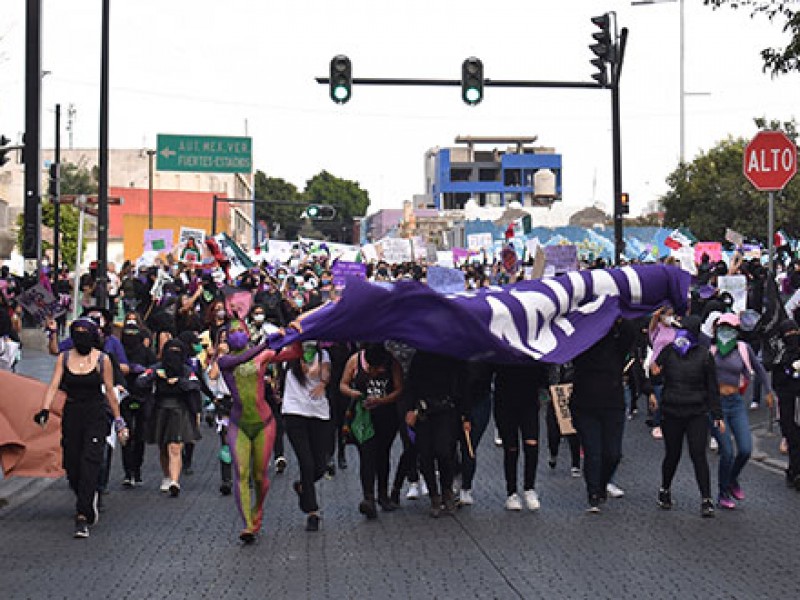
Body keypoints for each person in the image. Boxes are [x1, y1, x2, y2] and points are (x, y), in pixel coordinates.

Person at [35, 318, 129, 538]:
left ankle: (82, 515)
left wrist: (118, 420)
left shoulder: (102, 360)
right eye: (76, 333)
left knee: (90, 462)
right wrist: (44, 409)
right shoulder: (64, 358)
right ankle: (86, 495)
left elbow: (108, 390)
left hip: (95, 414)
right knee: (72, 463)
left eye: (84, 332)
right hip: (72, 413)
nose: (81, 337)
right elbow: (53, 385)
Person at [212, 321, 300, 542]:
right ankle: (247, 525)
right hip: (238, 423)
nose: (237, 335)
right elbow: (240, 359)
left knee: (260, 476)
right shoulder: (224, 361)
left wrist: (294, 333)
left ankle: (257, 511)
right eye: (232, 332)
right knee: (241, 473)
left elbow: (294, 353)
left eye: (240, 330)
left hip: (264, 423)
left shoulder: (262, 356)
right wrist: (265, 345)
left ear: (247, 332)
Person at [651, 315, 723, 518]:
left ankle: (665, 490)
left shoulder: (669, 351)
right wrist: (717, 414)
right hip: (694, 411)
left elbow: (655, 375)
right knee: (697, 455)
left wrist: (654, 378)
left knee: (673, 454)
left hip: (674, 410)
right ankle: (706, 499)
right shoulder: (704, 354)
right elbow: (712, 388)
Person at [708, 313, 775, 509]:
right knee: (727, 452)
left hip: (736, 402)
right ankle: (722, 493)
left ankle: (732, 479)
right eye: (723, 327)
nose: (726, 331)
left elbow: (760, 369)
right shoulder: (711, 350)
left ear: (737, 331)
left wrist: (769, 392)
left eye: (731, 328)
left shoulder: (743, 349)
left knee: (745, 449)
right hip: (716, 405)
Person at [570, 318, 636, 513]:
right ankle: (593, 493)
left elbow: (629, 332)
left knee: (613, 454)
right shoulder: (580, 346)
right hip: (585, 406)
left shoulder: (616, 347)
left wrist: (617, 314)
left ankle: (601, 483)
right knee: (593, 451)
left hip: (612, 405)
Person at [339, 343, 404, 518]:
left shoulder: (392, 363)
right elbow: (343, 385)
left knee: (383, 454)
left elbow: (399, 389)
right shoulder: (355, 360)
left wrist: (382, 400)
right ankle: (369, 497)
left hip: (386, 416)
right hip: (363, 417)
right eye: (372, 369)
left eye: (379, 369)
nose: (375, 372)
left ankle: (383, 495)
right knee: (366, 455)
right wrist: (355, 394)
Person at [402, 350, 468, 518]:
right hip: (423, 411)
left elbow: (461, 385)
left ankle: (446, 490)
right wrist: (410, 408)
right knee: (425, 455)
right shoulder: (420, 356)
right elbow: (411, 384)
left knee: (444, 451)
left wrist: (465, 414)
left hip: (445, 410)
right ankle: (434, 496)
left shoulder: (452, 355)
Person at [137, 339, 201, 498]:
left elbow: (195, 384)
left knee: (175, 446)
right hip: (160, 409)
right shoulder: (156, 368)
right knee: (163, 446)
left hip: (180, 410)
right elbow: (140, 381)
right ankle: (166, 475)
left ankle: (174, 481)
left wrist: (179, 382)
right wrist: (155, 377)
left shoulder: (186, 370)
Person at [282, 340, 332, 532]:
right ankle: (312, 511)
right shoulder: (291, 353)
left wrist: (322, 381)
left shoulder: (323, 354)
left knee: (320, 465)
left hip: (318, 412)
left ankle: (303, 485)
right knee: (306, 462)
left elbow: (325, 372)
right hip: (294, 412)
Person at [494, 361, 548, 511]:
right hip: (505, 401)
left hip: (528, 401)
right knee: (511, 449)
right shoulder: (502, 349)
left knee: (531, 445)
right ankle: (511, 493)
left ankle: (529, 488)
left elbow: (543, 373)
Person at [119, 318, 156, 486]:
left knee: (140, 435)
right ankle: (128, 471)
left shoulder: (146, 352)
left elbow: (154, 368)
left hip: (143, 396)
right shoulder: (120, 352)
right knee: (126, 435)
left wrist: (145, 374)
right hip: (124, 396)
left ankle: (137, 469)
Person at [767, 319, 800, 490]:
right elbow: (776, 381)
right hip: (787, 403)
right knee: (793, 437)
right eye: (788, 333)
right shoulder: (779, 354)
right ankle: (794, 472)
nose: (792, 337)